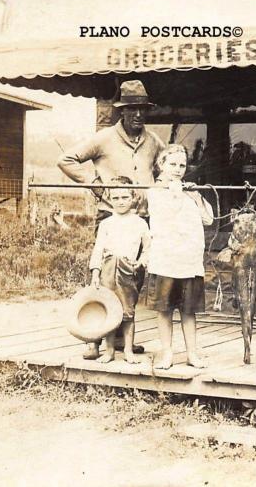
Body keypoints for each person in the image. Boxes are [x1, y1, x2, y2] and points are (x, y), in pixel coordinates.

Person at [57, 79, 164, 360]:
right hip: (110, 216)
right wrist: (94, 182)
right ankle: (94, 339)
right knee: (104, 281)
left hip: (142, 220)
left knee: (132, 280)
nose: (138, 115)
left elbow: (167, 166)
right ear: (121, 111)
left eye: (142, 109)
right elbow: (66, 159)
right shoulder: (104, 138)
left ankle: (122, 339)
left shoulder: (153, 141)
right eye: (131, 110)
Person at [146, 144, 214, 370]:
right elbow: (167, 215)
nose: (177, 169)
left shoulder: (190, 192)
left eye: (182, 165)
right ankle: (167, 353)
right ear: (161, 165)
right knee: (164, 310)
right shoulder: (155, 192)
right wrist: (177, 191)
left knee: (188, 310)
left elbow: (208, 220)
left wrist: (195, 196)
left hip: (189, 262)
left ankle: (192, 353)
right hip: (165, 260)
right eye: (172, 164)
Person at [88, 177, 150, 363]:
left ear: (133, 198)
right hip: (107, 268)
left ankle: (129, 350)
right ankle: (109, 351)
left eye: (124, 197)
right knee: (110, 309)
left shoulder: (140, 223)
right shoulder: (106, 224)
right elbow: (98, 249)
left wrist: (141, 262)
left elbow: (148, 247)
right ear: (110, 199)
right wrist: (95, 273)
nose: (120, 201)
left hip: (129, 270)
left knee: (127, 311)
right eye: (116, 198)